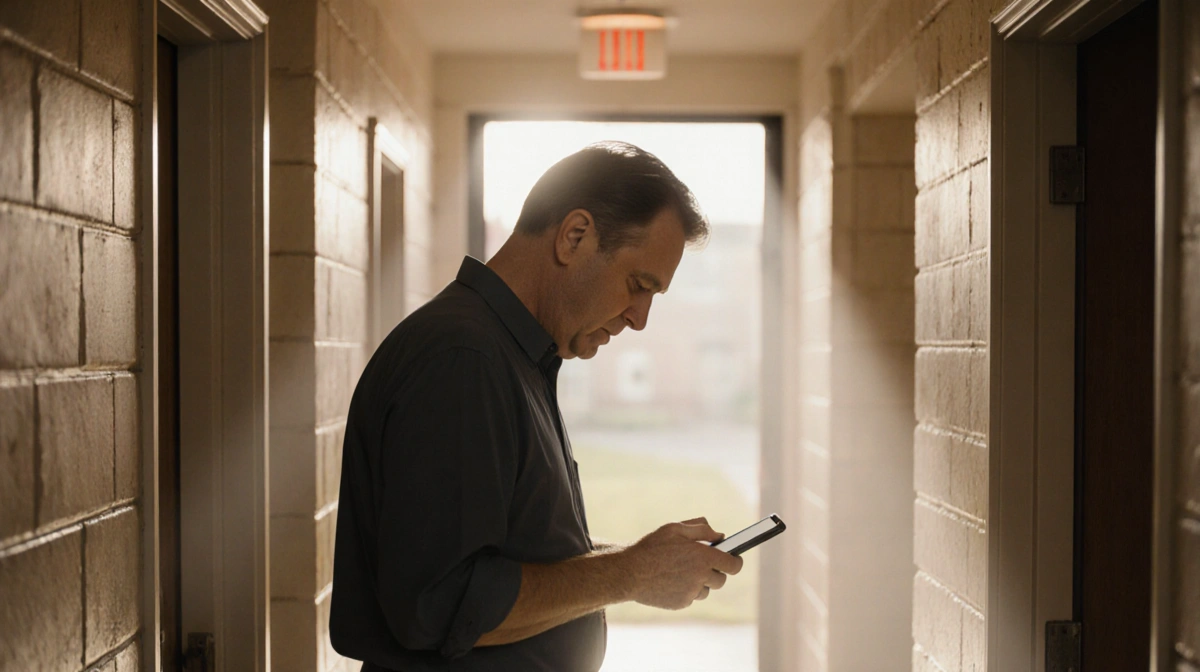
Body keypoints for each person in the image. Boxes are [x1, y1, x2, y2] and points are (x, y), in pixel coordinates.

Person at [329, 141, 744, 671]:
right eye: (638, 285)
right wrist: (631, 574)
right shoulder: (463, 359)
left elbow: (515, 554)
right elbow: (441, 604)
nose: (640, 319)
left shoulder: (511, 355)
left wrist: (643, 561)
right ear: (575, 236)